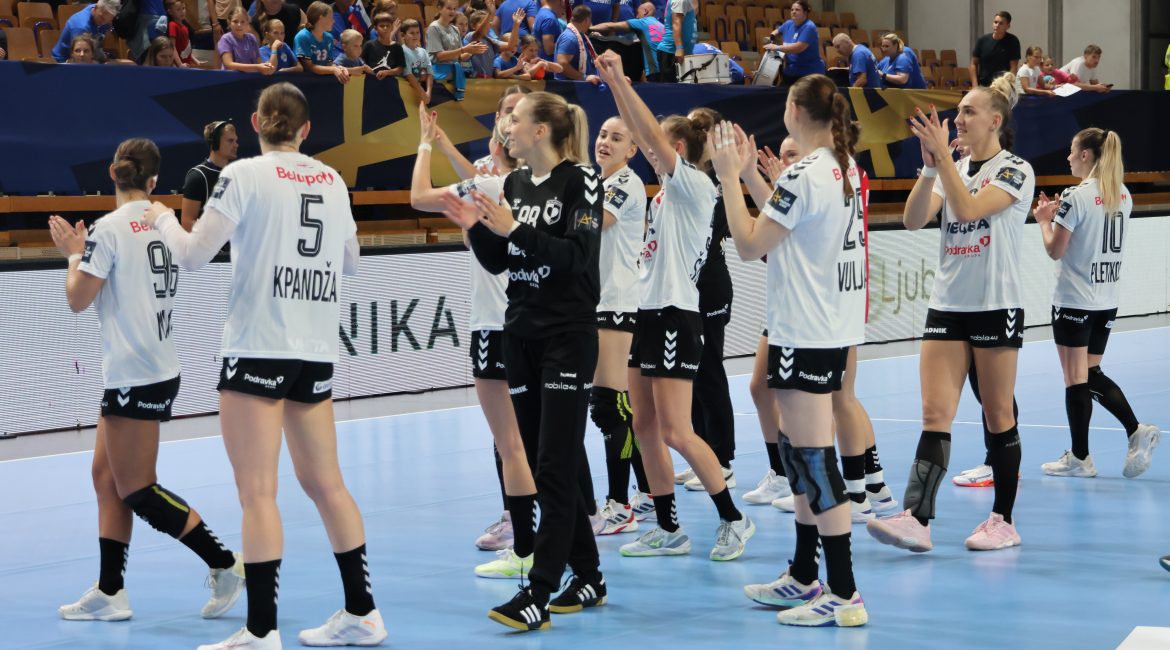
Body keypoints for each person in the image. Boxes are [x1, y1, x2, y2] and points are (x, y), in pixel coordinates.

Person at [144, 82, 388, 650]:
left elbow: (192, 254)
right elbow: (351, 262)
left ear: (256, 123)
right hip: (315, 346)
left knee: (257, 492)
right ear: (306, 130)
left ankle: (260, 629)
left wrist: (159, 218)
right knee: (328, 484)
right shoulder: (332, 180)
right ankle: (363, 612)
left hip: (259, 342)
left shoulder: (243, 175)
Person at [48, 138, 246, 627]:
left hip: (134, 373)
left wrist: (73, 254)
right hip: (153, 365)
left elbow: (78, 299)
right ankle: (110, 591)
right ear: (154, 181)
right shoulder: (164, 223)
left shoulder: (108, 229)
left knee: (138, 489)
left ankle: (224, 563)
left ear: (112, 172)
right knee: (105, 478)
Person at [441, 91, 606, 632]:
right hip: (521, 334)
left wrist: (515, 230)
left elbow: (578, 257)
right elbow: (501, 262)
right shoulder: (512, 184)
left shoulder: (582, 179)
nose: (506, 127)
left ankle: (538, 590)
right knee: (542, 463)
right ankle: (589, 575)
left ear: (541, 130)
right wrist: (474, 225)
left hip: (567, 336)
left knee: (555, 464)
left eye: (515, 119)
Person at [712, 74, 869, 627]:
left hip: (804, 330)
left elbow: (750, 244)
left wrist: (727, 178)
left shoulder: (805, 173)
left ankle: (844, 592)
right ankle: (804, 573)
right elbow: (786, 224)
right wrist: (751, 177)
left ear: (796, 111)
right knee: (802, 456)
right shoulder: (841, 165)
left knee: (813, 459)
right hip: (823, 328)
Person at [593, 50, 755, 562]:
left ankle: (734, 518)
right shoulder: (666, 193)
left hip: (675, 315)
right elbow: (645, 135)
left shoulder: (696, 186)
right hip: (645, 311)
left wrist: (622, 81)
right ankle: (668, 526)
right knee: (643, 424)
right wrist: (615, 85)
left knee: (677, 430)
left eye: (657, 145)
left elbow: (647, 135)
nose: (646, 150)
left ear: (678, 148)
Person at [867, 73, 1032, 553]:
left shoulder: (1015, 169)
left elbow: (972, 210)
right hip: (948, 304)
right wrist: (929, 168)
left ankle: (1003, 520)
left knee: (998, 413)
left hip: (994, 305)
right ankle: (917, 518)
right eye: (957, 111)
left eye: (968, 111)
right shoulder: (951, 167)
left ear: (995, 121)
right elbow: (913, 219)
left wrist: (945, 163)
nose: (957, 119)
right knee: (934, 412)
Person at [410, 106, 543, 576]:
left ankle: (522, 547)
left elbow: (419, 197)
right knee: (539, 437)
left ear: (496, 146)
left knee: (510, 443)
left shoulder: (486, 187)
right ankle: (559, 533)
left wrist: (425, 143)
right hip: (534, 320)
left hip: (493, 322)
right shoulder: (535, 188)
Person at [1033, 128, 1160, 479]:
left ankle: (1081, 457)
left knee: (1075, 380)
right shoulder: (1122, 193)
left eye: (1072, 151)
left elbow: (1055, 250)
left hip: (1075, 298)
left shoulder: (1076, 196)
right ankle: (1134, 431)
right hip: (1106, 299)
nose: (1068, 157)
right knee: (1089, 374)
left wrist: (1044, 220)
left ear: (1086, 155)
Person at [589, 115, 650, 536]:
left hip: (617, 303)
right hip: (600, 302)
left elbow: (594, 222)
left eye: (616, 138)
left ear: (632, 150)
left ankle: (619, 505)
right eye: (602, 135)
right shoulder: (598, 182)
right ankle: (648, 491)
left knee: (610, 407)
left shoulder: (625, 183)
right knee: (617, 407)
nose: (605, 142)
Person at [673, 106, 737, 492]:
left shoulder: (716, 180)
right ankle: (703, 455)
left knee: (709, 369)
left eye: (701, 126)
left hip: (710, 285)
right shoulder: (687, 176)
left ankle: (722, 459)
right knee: (692, 372)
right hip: (688, 285)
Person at [741, 136, 800, 508]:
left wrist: (749, 179)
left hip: (808, 311)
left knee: (806, 400)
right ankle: (780, 473)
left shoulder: (813, 187)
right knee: (760, 387)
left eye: (791, 154)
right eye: (781, 154)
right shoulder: (785, 194)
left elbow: (755, 243)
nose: (782, 160)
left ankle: (809, 482)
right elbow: (765, 242)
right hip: (781, 305)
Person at [182, 121, 239, 231]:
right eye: (230, 141)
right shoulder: (197, 176)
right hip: (210, 242)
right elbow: (187, 223)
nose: (236, 145)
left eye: (236, 141)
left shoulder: (235, 175)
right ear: (215, 143)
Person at [427, 0, 488, 101]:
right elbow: (440, 56)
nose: (452, 11)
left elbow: (459, 58)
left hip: (455, 76)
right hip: (439, 77)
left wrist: (472, 51)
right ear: (440, 8)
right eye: (449, 8)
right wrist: (464, 49)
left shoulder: (455, 30)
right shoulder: (434, 28)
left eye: (454, 9)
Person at [590, 1, 662, 80]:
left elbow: (610, 26)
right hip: (666, 69)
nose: (637, 16)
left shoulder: (643, 22)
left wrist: (589, 28)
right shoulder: (662, 26)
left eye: (638, 13)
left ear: (645, 12)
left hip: (654, 72)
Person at [765, 0, 825, 87]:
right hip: (791, 71)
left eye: (797, 10)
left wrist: (777, 47)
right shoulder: (788, 24)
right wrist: (772, 37)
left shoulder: (809, 27)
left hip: (809, 74)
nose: (793, 12)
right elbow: (777, 31)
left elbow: (798, 48)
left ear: (805, 13)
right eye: (792, 10)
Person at [296, 1, 350, 82]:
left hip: (323, 82)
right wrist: (333, 69)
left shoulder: (329, 38)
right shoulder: (303, 36)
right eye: (331, 18)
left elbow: (329, 63)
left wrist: (339, 68)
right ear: (321, 18)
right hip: (305, 82)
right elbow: (309, 67)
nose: (333, 21)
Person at [52, 0, 118, 62]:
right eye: (101, 18)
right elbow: (80, 57)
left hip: (90, 56)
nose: (103, 23)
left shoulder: (102, 12)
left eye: (108, 20)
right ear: (95, 8)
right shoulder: (81, 27)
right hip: (64, 61)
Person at [969, 10, 1019, 87]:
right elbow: (973, 64)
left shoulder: (1013, 41)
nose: (997, 25)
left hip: (1002, 86)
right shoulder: (982, 40)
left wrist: (1007, 85)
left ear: (1008, 26)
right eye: (995, 22)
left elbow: (1014, 67)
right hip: (983, 85)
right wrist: (975, 85)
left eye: (1001, 23)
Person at [464, 9, 519, 78]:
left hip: (488, 79)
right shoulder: (470, 36)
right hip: (473, 79)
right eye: (483, 22)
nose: (487, 24)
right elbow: (479, 33)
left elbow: (511, 46)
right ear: (473, 26)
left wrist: (516, 24)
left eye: (488, 22)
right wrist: (490, 13)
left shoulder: (491, 41)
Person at [219, 6, 275, 74]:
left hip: (251, 78)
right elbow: (229, 65)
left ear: (247, 23)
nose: (239, 25)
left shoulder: (251, 38)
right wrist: (257, 67)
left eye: (242, 22)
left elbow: (259, 62)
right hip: (231, 78)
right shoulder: (226, 39)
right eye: (235, 21)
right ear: (229, 22)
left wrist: (266, 66)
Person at [554, 5, 601, 82]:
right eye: (590, 20)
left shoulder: (581, 36)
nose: (590, 24)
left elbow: (593, 57)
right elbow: (562, 64)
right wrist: (584, 77)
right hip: (571, 88)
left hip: (583, 86)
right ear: (587, 20)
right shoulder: (570, 38)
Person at [654, 0, 696, 82]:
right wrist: (679, 48)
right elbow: (676, 23)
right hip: (671, 53)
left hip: (677, 53)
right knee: (671, 89)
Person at [400, 19, 434, 104]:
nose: (415, 36)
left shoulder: (423, 51)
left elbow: (430, 73)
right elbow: (409, 75)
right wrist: (423, 93)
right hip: (410, 92)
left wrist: (428, 92)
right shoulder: (402, 51)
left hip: (424, 89)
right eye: (412, 33)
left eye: (418, 32)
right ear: (403, 35)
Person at [362, 12, 404, 78]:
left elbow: (400, 68)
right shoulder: (369, 45)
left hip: (391, 82)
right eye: (381, 26)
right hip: (371, 81)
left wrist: (387, 72)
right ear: (375, 28)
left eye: (388, 26)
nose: (385, 28)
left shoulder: (397, 47)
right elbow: (362, 64)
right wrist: (372, 72)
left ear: (392, 27)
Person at [163, 0, 203, 66]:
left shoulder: (185, 27)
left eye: (183, 8)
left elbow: (186, 48)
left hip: (185, 64)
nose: (182, 11)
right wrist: (180, 64)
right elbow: (172, 47)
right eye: (178, 9)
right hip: (177, 65)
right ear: (170, 12)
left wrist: (196, 61)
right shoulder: (172, 25)